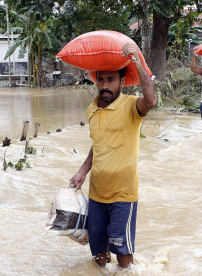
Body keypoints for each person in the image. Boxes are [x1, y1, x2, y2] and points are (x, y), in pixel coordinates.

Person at [69, 43, 157, 269]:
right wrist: (82, 171)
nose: (105, 85)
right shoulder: (92, 109)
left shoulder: (131, 106)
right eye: (101, 80)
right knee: (99, 255)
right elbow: (97, 145)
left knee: (123, 256)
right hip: (97, 194)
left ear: (122, 82)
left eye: (111, 80)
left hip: (122, 195)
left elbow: (151, 100)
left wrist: (136, 60)